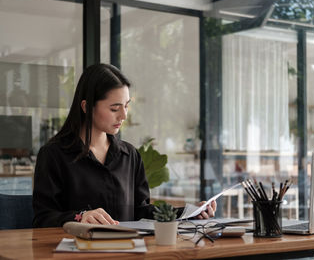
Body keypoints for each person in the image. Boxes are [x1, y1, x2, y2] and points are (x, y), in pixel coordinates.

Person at [33, 63, 216, 227]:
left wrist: (188, 213)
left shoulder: (130, 155)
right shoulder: (54, 155)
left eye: (126, 106)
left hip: (128, 251)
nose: (123, 115)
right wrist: (80, 217)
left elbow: (141, 211)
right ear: (87, 107)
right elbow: (43, 218)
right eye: (114, 108)